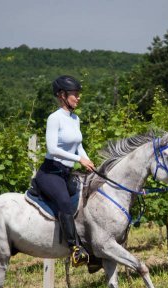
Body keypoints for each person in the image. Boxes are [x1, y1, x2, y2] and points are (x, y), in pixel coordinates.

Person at [34, 75, 95, 267]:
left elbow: (78, 145)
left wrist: (88, 160)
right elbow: (52, 149)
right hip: (50, 173)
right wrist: (79, 159)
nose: (78, 98)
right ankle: (74, 249)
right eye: (75, 95)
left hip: (67, 173)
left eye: (78, 94)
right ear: (62, 95)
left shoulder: (75, 118)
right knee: (64, 203)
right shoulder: (55, 118)